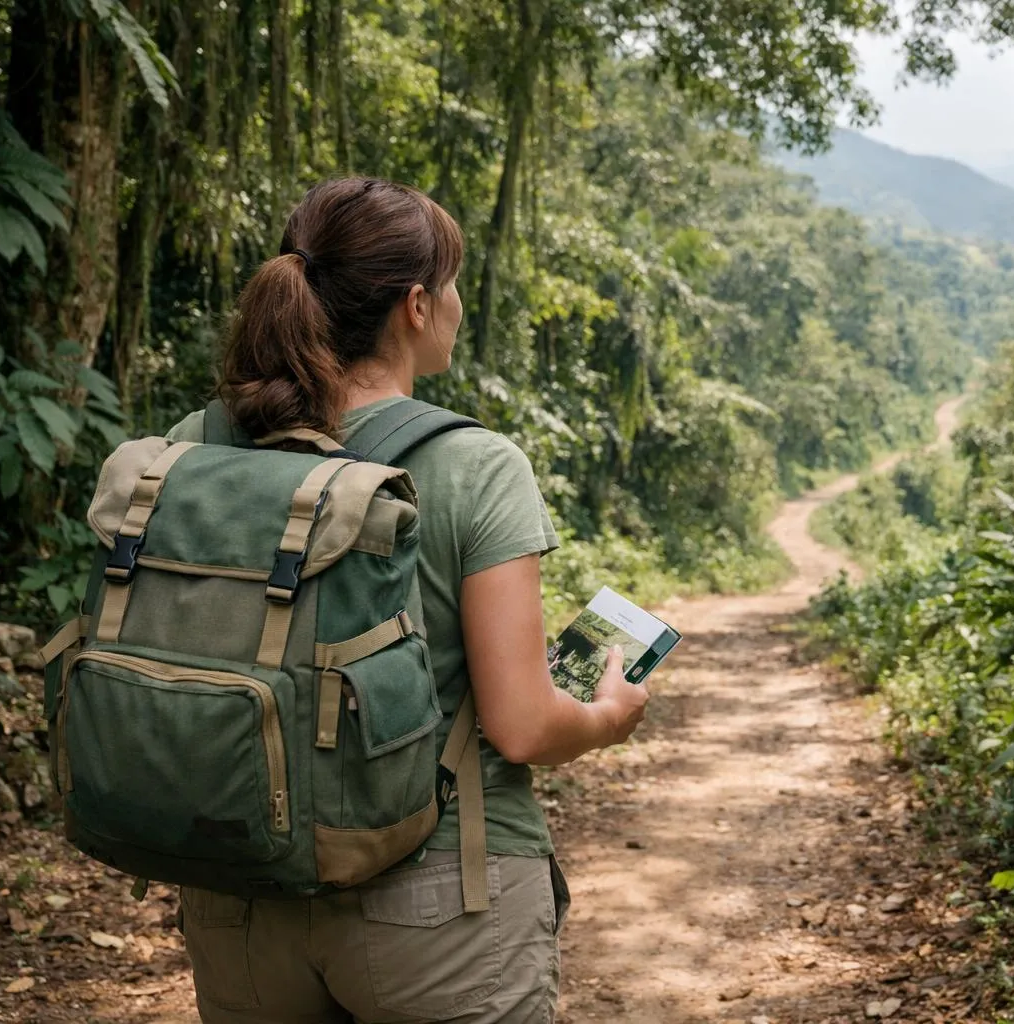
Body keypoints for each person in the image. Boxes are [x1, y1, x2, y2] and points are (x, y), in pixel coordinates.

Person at [164, 176, 650, 1023]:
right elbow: (525, 726)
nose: (458, 303)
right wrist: (610, 711)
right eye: (453, 283)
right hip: (438, 905)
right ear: (417, 306)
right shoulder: (475, 465)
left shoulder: (190, 448)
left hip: (238, 898)